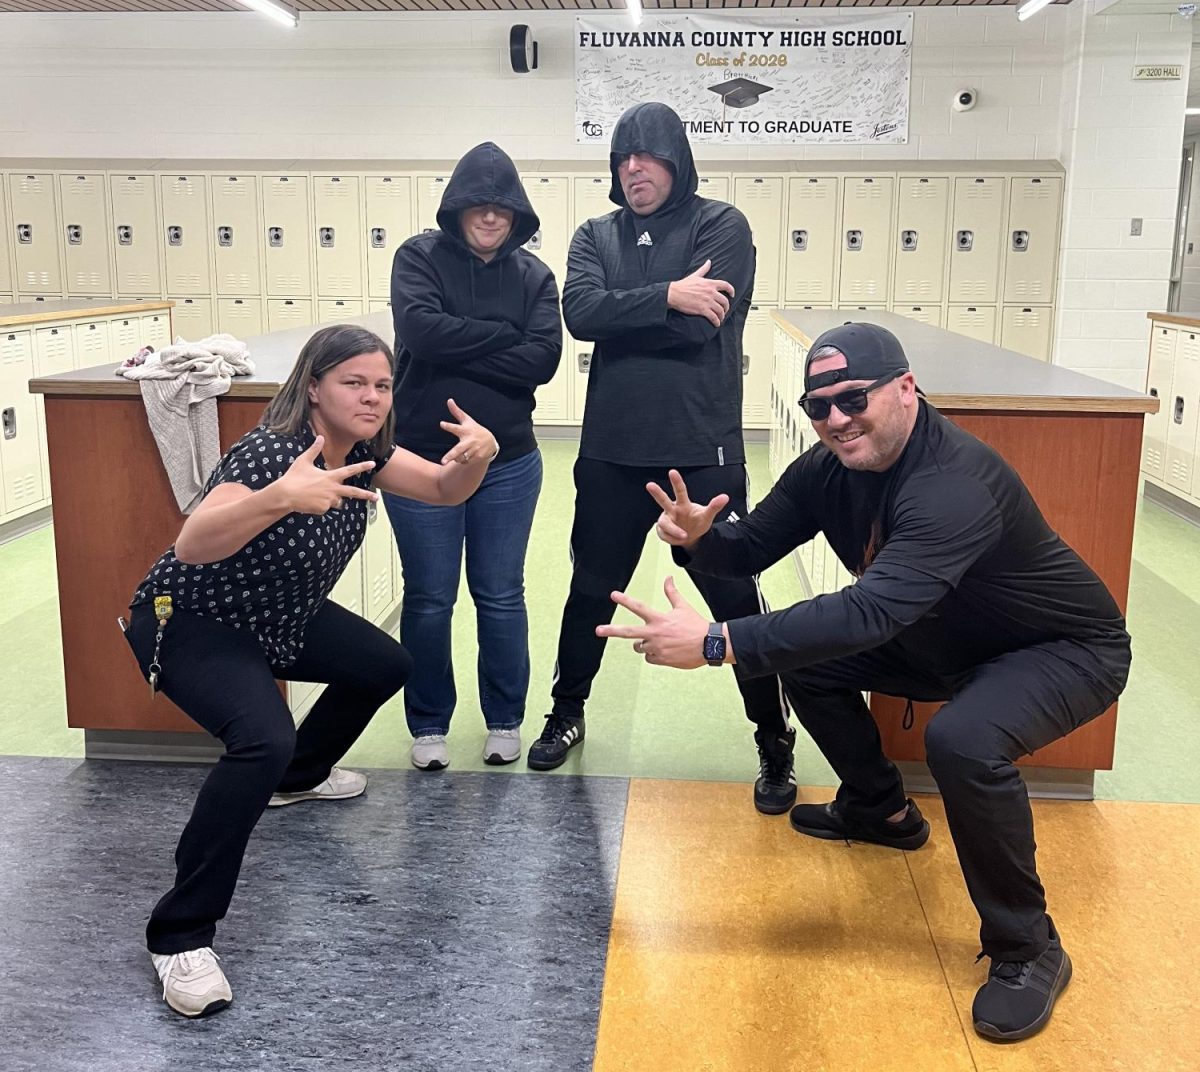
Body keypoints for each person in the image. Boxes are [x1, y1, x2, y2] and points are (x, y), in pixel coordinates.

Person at [598, 320, 1131, 1042]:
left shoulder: (953, 482)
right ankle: (881, 812)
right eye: (819, 407)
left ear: (906, 390)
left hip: (1061, 649)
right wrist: (700, 538)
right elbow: (751, 545)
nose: (837, 421)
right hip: (944, 639)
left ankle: (1029, 947)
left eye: (854, 400)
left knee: (965, 742)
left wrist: (718, 641)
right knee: (805, 660)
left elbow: (871, 611)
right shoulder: (832, 469)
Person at [123, 325, 498, 1018]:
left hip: (277, 616)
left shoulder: (365, 455)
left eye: (382, 385)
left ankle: (296, 781)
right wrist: (281, 497)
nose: (372, 396)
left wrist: (480, 455)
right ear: (315, 387)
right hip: (194, 619)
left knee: (385, 664)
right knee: (261, 739)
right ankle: (179, 935)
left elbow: (446, 489)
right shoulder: (271, 453)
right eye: (354, 382)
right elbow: (193, 542)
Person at [528, 101, 795, 815]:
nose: (633, 168)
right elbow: (581, 314)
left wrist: (633, 312)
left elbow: (700, 332)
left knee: (733, 601)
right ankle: (567, 709)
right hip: (611, 454)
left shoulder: (720, 225)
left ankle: (773, 736)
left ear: (676, 160)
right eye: (622, 158)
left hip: (700, 456)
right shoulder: (595, 233)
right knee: (591, 589)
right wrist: (669, 295)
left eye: (647, 156)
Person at [385, 141, 561, 771]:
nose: (490, 217)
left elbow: (542, 359)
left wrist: (455, 345)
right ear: (457, 208)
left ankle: (504, 718)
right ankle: (429, 721)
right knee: (429, 597)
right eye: (478, 206)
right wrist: (502, 337)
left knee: (500, 592)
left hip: (509, 461)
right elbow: (420, 330)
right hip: (422, 460)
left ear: (517, 214)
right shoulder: (418, 258)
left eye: (502, 207)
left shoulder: (535, 276)